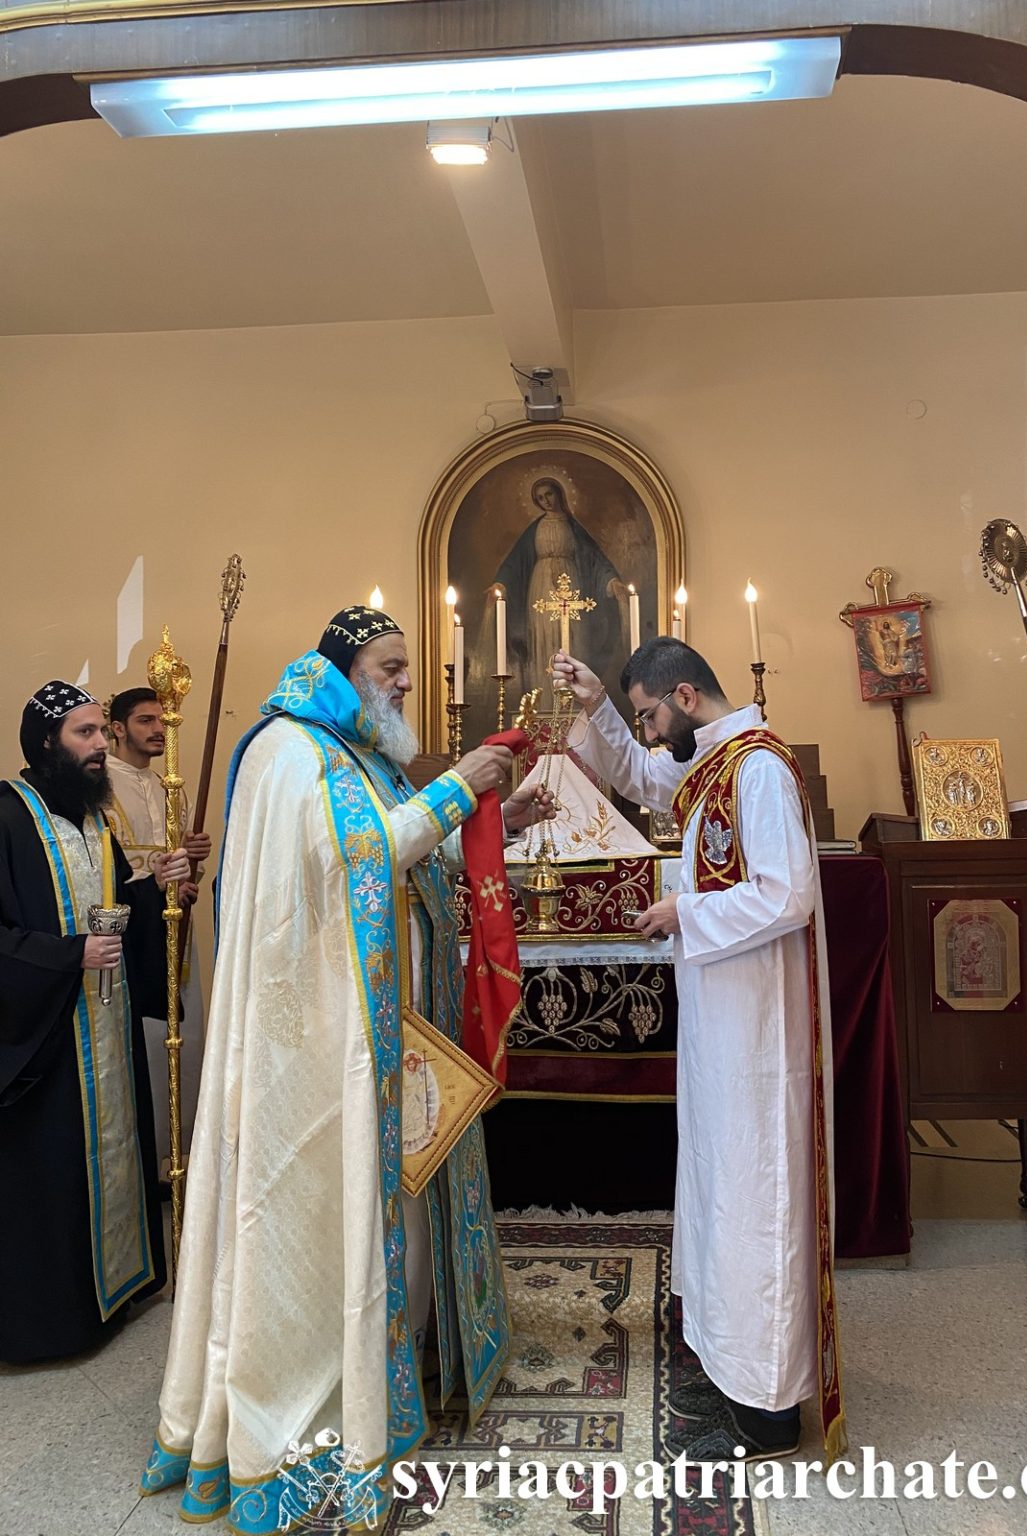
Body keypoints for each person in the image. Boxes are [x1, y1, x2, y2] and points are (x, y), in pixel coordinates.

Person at [142, 606, 554, 1528]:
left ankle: (397, 1351)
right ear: (345, 667)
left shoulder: (356, 751)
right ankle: (325, 1392)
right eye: (392, 665)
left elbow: (402, 849)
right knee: (331, 1211)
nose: (406, 680)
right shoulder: (291, 750)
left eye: (408, 666)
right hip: (317, 1052)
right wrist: (456, 788)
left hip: (385, 1035)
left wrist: (490, 813)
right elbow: (354, 859)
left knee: (397, 1198)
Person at [553, 637, 844, 1463]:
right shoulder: (715, 761)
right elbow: (643, 776)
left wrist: (685, 915)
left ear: (684, 697)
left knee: (756, 1187)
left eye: (648, 714)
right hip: (722, 1017)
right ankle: (730, 1367)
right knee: (724, 1181)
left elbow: (788, 894)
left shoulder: (758, 768)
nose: (647, 732)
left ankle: (769, 1410)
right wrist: (595, 708)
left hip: (759, 1025)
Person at [0, 682, 190, 1363]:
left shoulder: (92, 820)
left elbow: (114, 911)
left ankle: (118, 1290)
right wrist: (66, 955)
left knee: (111, 1149)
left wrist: (155, 888)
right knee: (52, 1174)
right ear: (47, 742)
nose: (100, 746)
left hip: (101, 1025)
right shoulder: (7, 817)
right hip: (46, 1041)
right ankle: (57, 1321)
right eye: (85, 735)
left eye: (100, 735)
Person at [107, 686, 211, 1167]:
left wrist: (192, 869)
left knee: (180, 1040)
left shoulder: (173, 786)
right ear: (117, 728)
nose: (158, 731)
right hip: (130, 935)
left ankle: (180, 1152)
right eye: (146, 720)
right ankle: (142, 1157)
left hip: (173, 930)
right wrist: (157, 880)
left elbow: (181, 870)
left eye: (164, 722)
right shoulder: (99, 783)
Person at [493, 476, 631, 694]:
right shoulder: (534, 528)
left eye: (549, 494)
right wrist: (501, 583)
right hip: (541, 588)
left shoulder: (573, 527)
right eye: (540, 498)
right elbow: (515, 561)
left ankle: (577, 702)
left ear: (559, 494)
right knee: (544, 641)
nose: (546, 501)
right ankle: (545, 700)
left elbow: (595, 559)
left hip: (571, 582)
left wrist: (612, 582)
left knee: (576, 640)